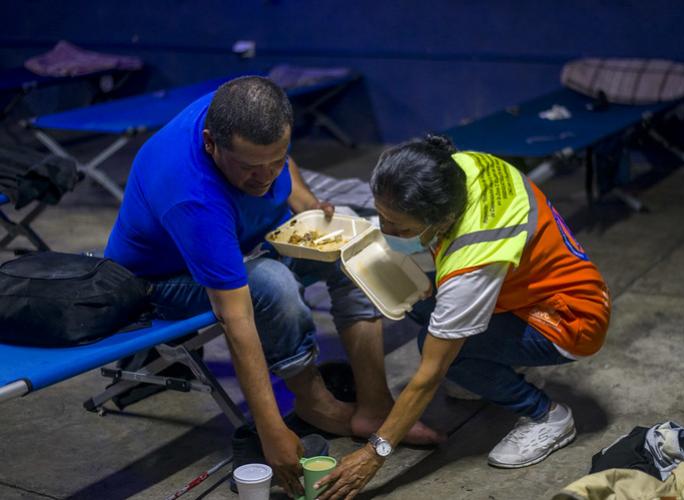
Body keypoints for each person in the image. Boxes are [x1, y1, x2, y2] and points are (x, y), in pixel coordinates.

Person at [104, 76, 441, 497]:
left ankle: (373, 406)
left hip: (243, 243)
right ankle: (313, 403)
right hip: (160, 282)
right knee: (270, 283)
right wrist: (271, 430)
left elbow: (275, 157)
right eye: (249, 167)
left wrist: (305, 201)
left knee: (348, 246)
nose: (265, 177)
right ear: (211, 143)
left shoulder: (242, 110)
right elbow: (238, 318)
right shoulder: (193, 199)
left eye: (276, 160)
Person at [317, 135, 611, 498]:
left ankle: (547, 415)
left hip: (568, 321)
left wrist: (374, 453)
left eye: (402, 228)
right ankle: (504, 365)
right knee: (410, 291)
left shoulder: (472, 259)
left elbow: (428, 376)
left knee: (444, 354)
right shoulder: (460, 166)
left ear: (446, 218)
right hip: (528, 289)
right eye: (383, 216)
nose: (387, 232)